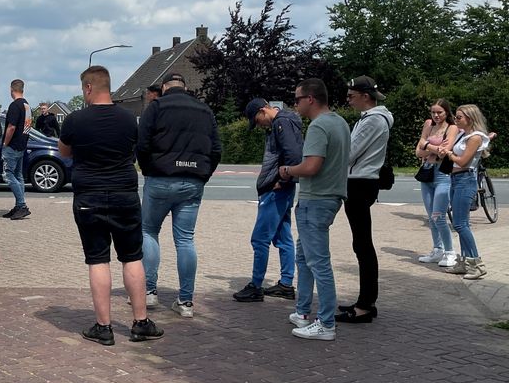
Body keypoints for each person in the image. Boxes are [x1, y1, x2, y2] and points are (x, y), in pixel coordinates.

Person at [60, 66, 163, 346]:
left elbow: (64, 152)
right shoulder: (129, 119)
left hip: (89, 196)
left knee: (98, 259)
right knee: (132, 257)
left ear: (88, 88)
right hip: (124, 195)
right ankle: (141, 322)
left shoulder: (74, 120)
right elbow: (135, 150)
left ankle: (103, 327)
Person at [136, 73, 220, 318]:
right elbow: (216, 149)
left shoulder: (156, 107)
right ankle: (185, 302)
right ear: (185, 87)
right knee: (185, 239)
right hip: (193, 180)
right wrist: (203, 174)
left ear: (164, 88)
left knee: (148, 231)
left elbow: (142, 143)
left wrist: (149, 170)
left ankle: (149, 292)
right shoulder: (205, 110)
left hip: (160, 178)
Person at [278, 79, 350, 341]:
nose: (295, 104)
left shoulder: (319, 126)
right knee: (304, 258)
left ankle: (326, 323)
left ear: (310, 99)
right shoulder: (340, 122)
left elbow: (311, 167)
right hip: (330, 197)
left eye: (297, 99)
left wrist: (287, 170)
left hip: (315, 200)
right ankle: (302, 311)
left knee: (319, 263)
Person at [233, 98, 303, 303]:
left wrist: (282, 179)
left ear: (263, 111)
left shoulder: (281, 123)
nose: (259, 125)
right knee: (283, 237)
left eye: (257, 120)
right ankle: (286, 284)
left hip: (275, 189)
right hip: (282, 189)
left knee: (260, 239)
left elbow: (293, 154)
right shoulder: (288, 121)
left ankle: (256, 286)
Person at [337, 76, 394, 323]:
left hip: (360, 182)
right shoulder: (373, 119)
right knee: (362, 244)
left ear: (365, 96)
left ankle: (365, 305)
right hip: (363, 182)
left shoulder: (372, 120)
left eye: (351, 96)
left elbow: (349, 153)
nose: (348, 100)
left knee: (362, 245)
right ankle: (366, 301)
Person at [437, 104, 492, 280]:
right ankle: (464, 262)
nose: (456, 120)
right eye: (456, 116)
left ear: (470, 118)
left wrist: (448, 153)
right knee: (462, 224)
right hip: (456, 179)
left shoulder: (475, 137)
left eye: (459, 117)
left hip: (465, 180)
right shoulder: (464, 135)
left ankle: (476, 264)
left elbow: (462, 162)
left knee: (460, 224)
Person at [415, 99, 459, 267]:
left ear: (446, 112)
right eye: (433, 112)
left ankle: (450, 252)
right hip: (427, 173)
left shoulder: (451, 128)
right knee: (431, 217)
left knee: (438, 216)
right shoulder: (428, 125)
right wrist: (434, 148)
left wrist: (427, 145)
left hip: (442, 174)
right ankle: (437, 249)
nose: (436, 115)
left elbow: (444, 152)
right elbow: (418, 151)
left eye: (439, 112)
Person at [1, 79, 32, 220]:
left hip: (12, 146)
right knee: (18, 175)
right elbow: (27, 126)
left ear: (11, 89)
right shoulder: (27, 106)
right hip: (22, 145)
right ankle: (19, 205)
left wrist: (5, 143)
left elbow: (11, 126)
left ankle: (21, 205)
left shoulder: (15, 105)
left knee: (8, 175)